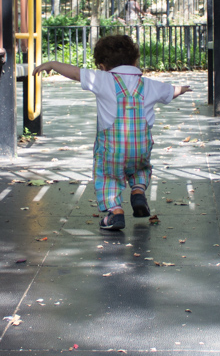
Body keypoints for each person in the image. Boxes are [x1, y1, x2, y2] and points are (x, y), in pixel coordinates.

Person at [34, 34, 191, 231]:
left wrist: (52, 64)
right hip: (140, 149)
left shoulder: (102, 79)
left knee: (107, 176)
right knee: (141, 169)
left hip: (112, 151)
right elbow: (171, 91)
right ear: (135, 62)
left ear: (102, 66)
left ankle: (115, 213)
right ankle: (138, 191)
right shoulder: (149, 84)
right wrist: (183, 89)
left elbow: (75, 73)